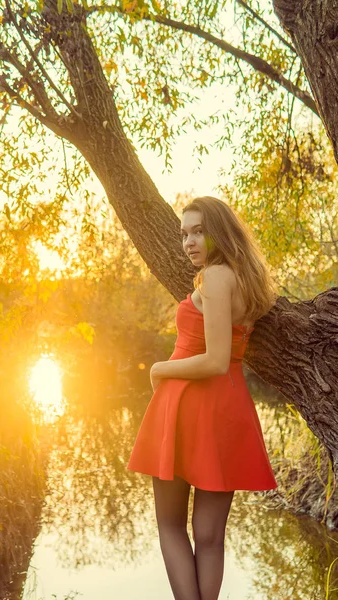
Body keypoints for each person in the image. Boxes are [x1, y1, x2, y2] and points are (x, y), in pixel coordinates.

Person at [127, 196, 278, 600]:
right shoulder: (246, 279)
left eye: (199, 232)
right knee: (210, 538)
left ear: (220, 233)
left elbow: (214, 359)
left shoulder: (214, 278)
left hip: (189, 406)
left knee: (171, 526)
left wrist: (160, 369)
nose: (189, 242)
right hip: (226, 408)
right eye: (184, 234)